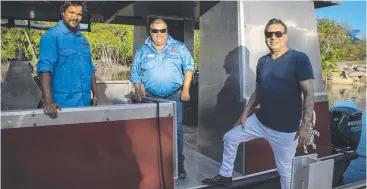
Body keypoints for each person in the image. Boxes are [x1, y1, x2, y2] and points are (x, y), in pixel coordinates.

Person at [202, 18, 315, 189]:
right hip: (260, 121)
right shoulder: (262, 61)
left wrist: (306, 125)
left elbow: (309, 92)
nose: (273, 37)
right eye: (269, 34)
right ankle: (225, 175)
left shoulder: (299, 58)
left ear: (285, 36)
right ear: (265, 37)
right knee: (230, 137)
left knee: (285, 171)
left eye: (278, 33)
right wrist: (245, 113)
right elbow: (259, 91)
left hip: (285, 130)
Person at [130, 18, 195, 179]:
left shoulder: (178, 47)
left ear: (167, 31)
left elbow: (189, 67)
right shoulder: (142, 50)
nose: (159, 34)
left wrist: (186, 88)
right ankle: (154, 163)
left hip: (174, 97)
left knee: (176, 131)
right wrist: (138, 88)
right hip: (150, 98)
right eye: (155, 31)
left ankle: (178, 164)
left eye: (162, 31)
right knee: (151, 131)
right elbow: (136, 72)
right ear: (150, 31)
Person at [37, 1, 98, 119]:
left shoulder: (83, 39)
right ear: (62, 13)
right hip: (62, 105)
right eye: (71, 12)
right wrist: (48, 102)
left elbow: (90, 68)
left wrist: (95, 94)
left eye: (79, 14)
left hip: (85, 103)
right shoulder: (51, 36)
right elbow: (45, 69)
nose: (75, 17)